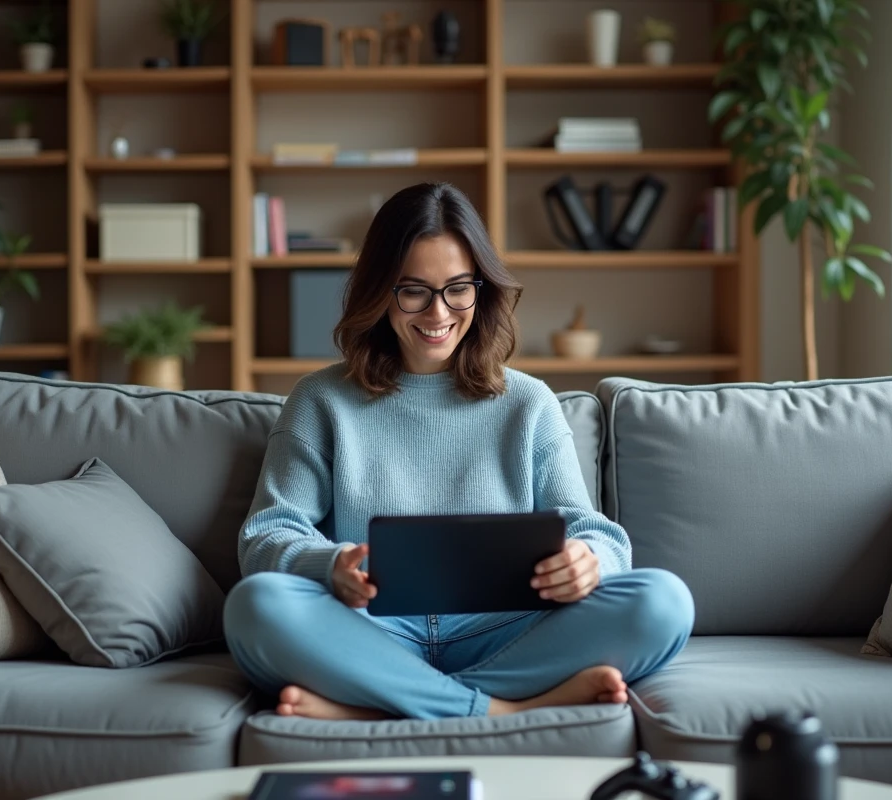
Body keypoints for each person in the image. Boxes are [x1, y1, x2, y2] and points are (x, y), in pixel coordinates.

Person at [223, 182, 694, 721]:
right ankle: (498, 709)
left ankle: (379, 704)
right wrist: (329, 565)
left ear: (481, 289)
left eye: (457, 289)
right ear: (379, 291)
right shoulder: (320, 400)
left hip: (506, 630)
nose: (438, 312)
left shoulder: (530, 403)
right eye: (414, 291)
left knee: (663, 602)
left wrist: (589, 561)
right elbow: (265, 537)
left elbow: (598, 534)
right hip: (372, 629)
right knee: (255, 608)